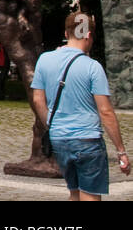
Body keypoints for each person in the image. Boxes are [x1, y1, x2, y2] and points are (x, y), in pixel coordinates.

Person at [30, 11, 130, 201]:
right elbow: (106, 112)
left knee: (74, 193)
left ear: (67, 34)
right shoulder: (92, 67)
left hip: (59, 140)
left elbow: (37, 100)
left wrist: (52, 125)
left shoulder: (44, 60)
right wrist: (121, 151)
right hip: (88, 140)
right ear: (89, 35)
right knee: (90, 195)